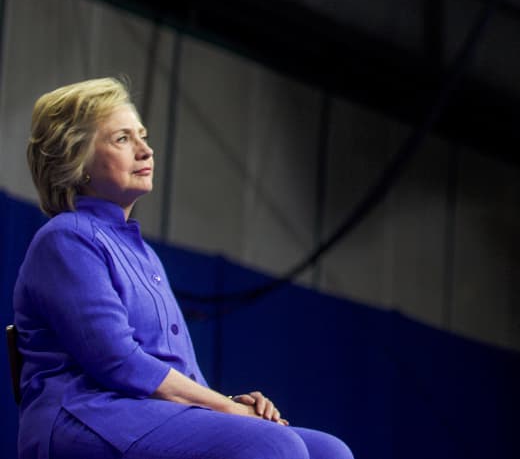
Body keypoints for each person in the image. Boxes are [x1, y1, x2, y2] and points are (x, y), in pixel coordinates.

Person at [12, 77, 353, 459]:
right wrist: (224, 409)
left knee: (329, 452)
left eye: (143, 136)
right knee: (274, 444)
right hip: (84, 415)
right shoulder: (66, 239)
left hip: (145, 413)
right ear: (77, 162)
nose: (146, 150)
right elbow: (117, 362)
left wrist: (227, 404)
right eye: (123, 139)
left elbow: (177, 368)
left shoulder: (141, 253)